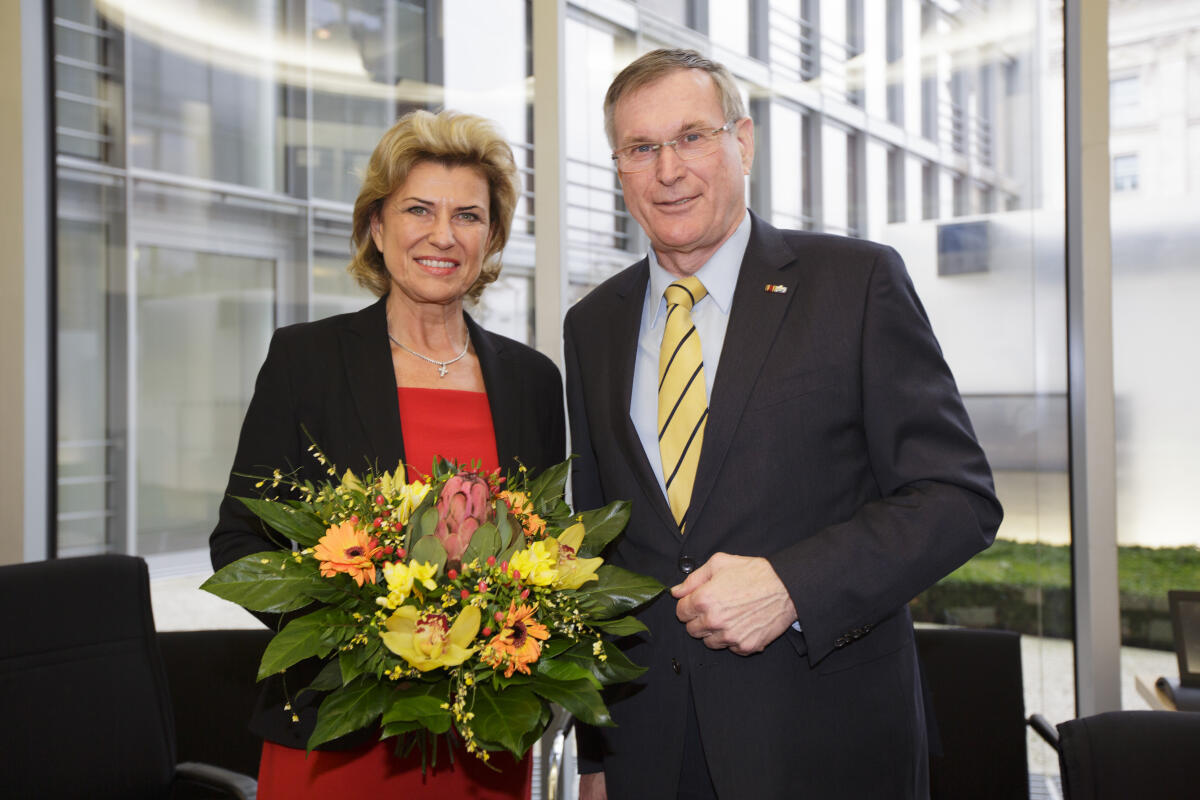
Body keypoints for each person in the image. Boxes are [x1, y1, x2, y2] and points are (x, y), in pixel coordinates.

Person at [564, 49, 1003, 799]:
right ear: (619, 168)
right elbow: (595, 549)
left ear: (744, 142)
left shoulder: (856, 284)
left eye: (692, 136)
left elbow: (957, 499)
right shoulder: (591, 325)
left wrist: (791, 585)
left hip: (823, 743)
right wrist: (600, 755)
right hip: (650, 749)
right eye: (641, 148)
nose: (668, 169)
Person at [210, 109, 565, 799]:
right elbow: (238, 540)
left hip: (484, 739)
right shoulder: (306, 359)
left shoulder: (531, 381)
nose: (443, 235)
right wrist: (371, 637)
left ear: (490, 237)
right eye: (418, 210)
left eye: (468, 215)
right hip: (341, 735)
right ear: (377, 226)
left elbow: (548, 551)